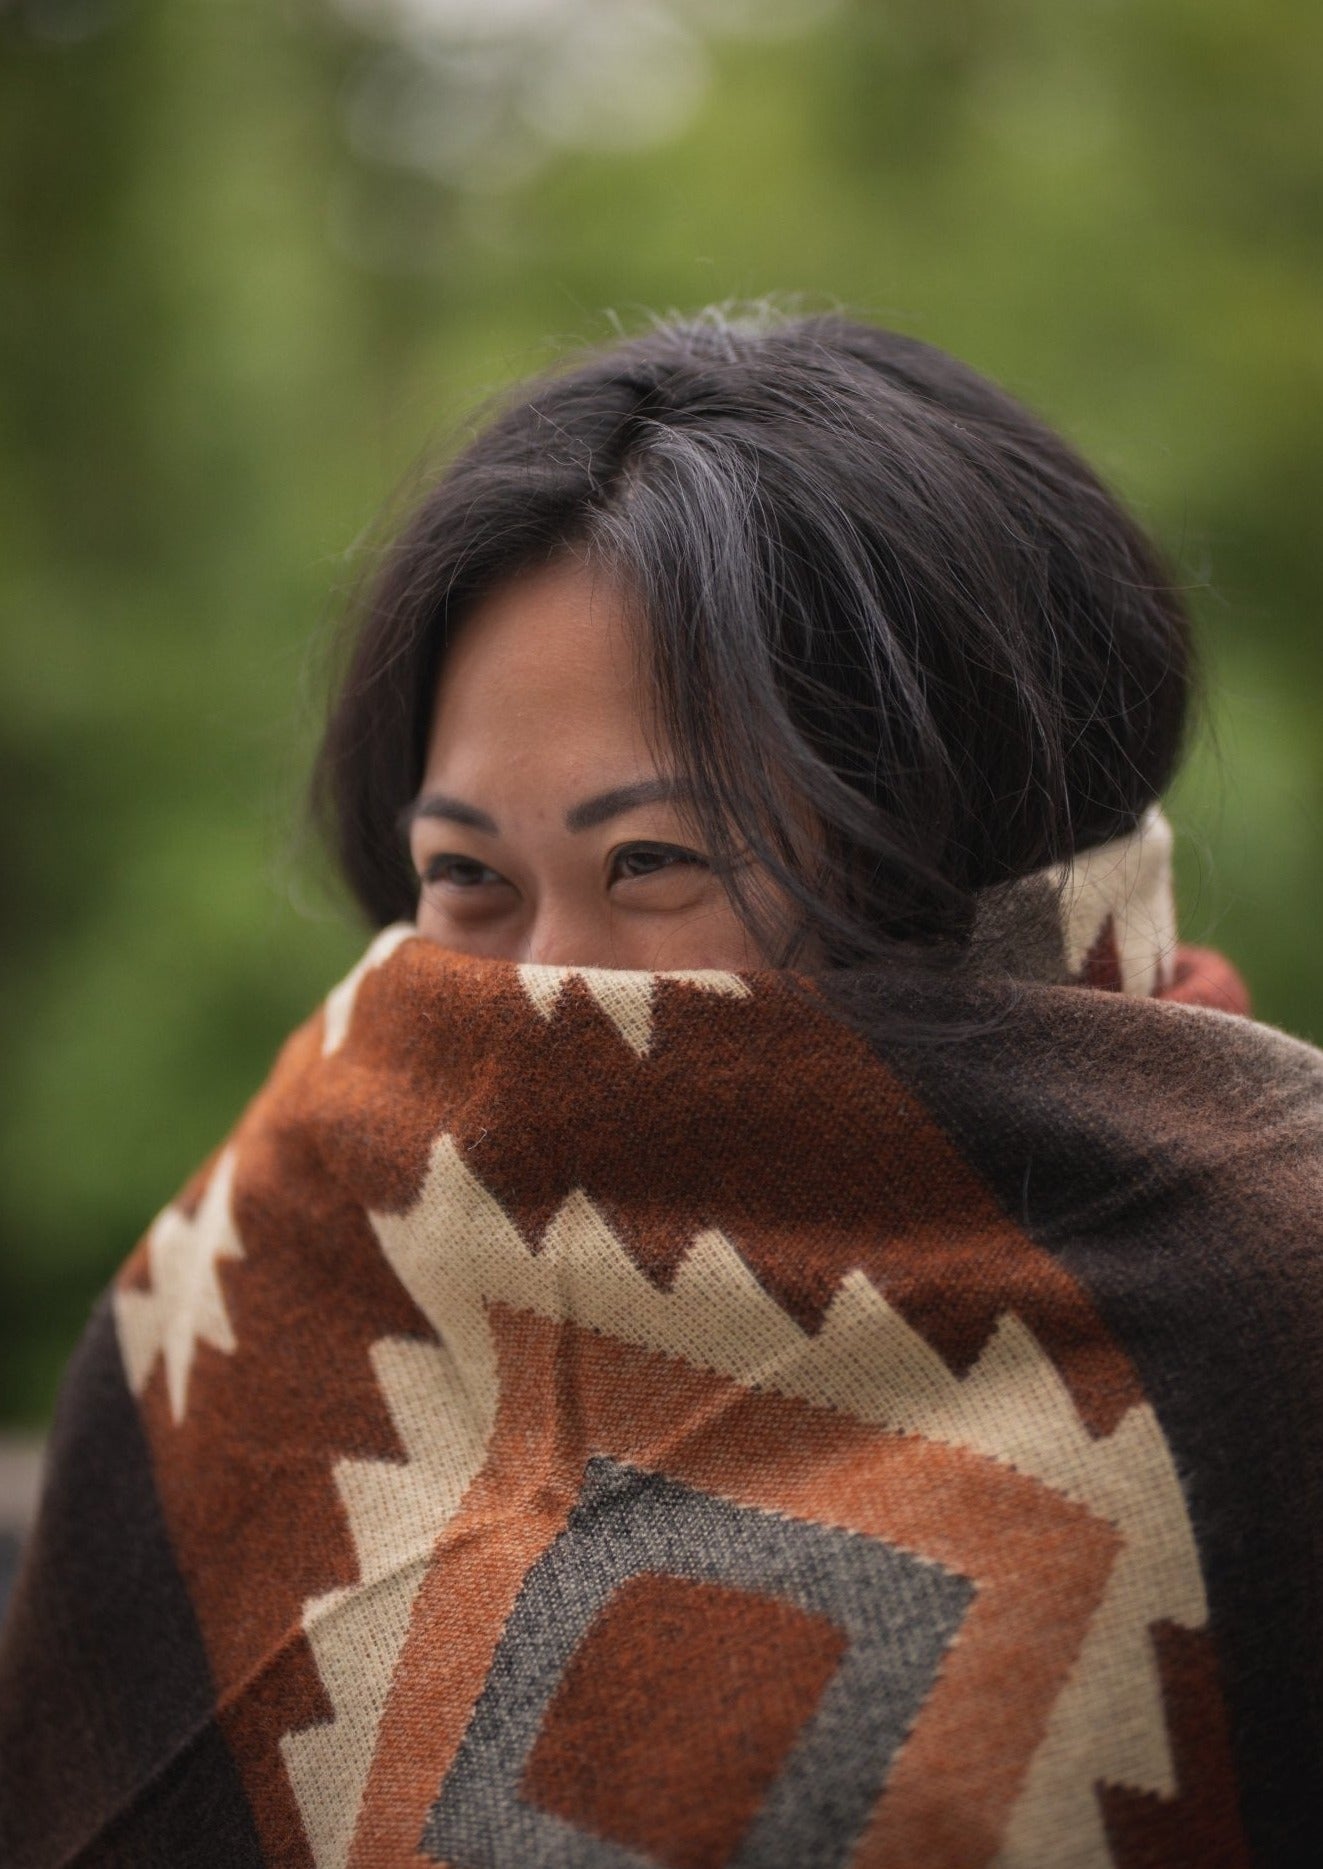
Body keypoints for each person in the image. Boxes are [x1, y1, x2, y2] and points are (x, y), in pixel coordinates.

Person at [0, 310, 1317, 1868]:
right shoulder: (262, 1287)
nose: (550, 984)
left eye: (654, 862)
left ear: (966, 869)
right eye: (467, 877)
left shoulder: (1269, 1322)